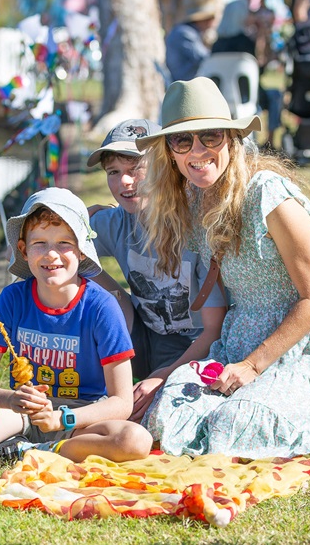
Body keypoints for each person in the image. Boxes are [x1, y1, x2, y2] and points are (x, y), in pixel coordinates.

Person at [133, 77, 310, 460]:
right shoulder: (192, 201)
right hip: (233, 346)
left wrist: (254, 365)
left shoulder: (268, 195)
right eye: (182, 140)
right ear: (169, 151)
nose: (197, 150)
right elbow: (213, 318)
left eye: (210, 136)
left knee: (234, 423)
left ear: (231, 140)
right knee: (165, 414)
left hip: (298, 351)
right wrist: (166, 373)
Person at [0, 188, 152, 474]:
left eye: (64, 243)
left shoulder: (102, 306)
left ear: (81, 250)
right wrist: (10, 399)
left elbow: (121, 402)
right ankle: (22, 448)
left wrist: (61, 419)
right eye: (40, 243)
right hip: (19, 414)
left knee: (134, 440)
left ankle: (24, 452)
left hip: (80, 421)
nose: (51, 254)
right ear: (24, 249)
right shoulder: (13, 298)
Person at [85, 119, 228, 413]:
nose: (124, 182)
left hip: (198, 346)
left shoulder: (196, 226)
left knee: (162, 414)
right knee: (71, 267)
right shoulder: (116, 222)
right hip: (143, 335)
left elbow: (214, 330)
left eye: (136, 169)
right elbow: (40, 237)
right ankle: (82, 383)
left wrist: (163, 376)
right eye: (114, 172)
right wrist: (79, 216)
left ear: (166, 167)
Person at [165, 4, 218, 82]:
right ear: (202, 21)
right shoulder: (185, 33)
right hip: (184, 80)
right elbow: (202, 57)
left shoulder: (185, 31)